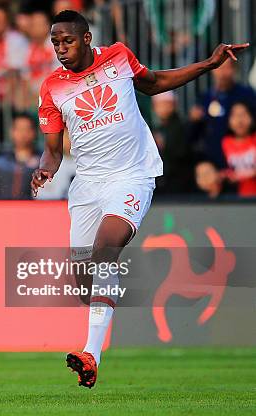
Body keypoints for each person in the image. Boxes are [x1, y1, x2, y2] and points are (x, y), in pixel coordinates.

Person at [31, 10, 249, 388]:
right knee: (84, 283)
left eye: (67, 41)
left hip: (132, 175)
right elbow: (52, 149)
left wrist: (209, 64)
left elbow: (154, 82)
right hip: (87, 185)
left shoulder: (117, 54)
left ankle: (91, 354)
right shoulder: (51, 87)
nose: (60, 49)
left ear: (86, 39)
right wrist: (45, 168)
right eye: (55, 43)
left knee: (105, 250)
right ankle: (102, 309)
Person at [220, 102, 256, 197]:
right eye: (235, 115)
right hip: (238, 199)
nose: (239, 120)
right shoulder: (225, 142)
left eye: (244, 114)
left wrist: (244, 174)